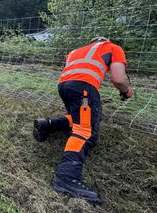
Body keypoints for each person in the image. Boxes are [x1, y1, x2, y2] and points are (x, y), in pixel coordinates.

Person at [33, 37, 133, 203]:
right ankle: (66, 177)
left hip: (64, 86)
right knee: (85, 131)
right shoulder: (113, 48)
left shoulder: (76, 51)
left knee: (80, 118)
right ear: (105, 41)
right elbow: (119, 79)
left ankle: (47, 125)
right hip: (84, 89)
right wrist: (127, 90)